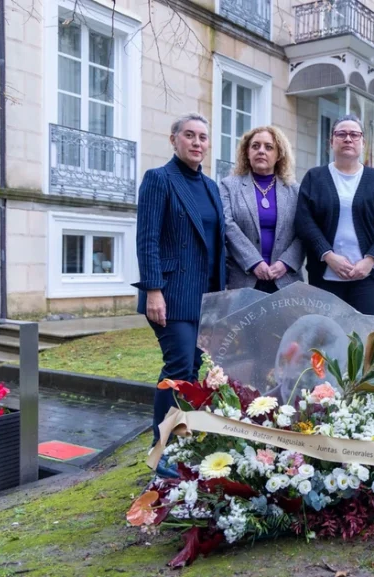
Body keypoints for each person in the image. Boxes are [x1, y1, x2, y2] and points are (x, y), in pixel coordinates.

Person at [133, 113, 226, 475]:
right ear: (174, 139)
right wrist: (153, 289)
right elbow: (148, 239)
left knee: (193, 368)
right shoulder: (159, 180)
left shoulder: (211, 187)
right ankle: (163, 452)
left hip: (206, 296)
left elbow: (216, 244)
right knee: (178, 368)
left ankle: (182, 439)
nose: (197, 142)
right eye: (189, 135)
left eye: (203, 137)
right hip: (170, 293)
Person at [295, 114, 374, 315]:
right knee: (328, 341)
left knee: (363, 340)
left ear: (363, 142)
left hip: (368, 278)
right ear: (331, 141)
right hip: (325, 276)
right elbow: (304, 221)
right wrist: (328, 255)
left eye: (354, 134)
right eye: (341, 134)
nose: (348, 139)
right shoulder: (314, 178)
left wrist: (370, 260)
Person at [220, 126, 304, 293]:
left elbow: (305, 231)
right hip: (243, 280)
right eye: (255, 146)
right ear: (247, 152)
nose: (261, 151)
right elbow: (227, 225)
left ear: (279, 154)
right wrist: (253, 262)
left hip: (285, 281)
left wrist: (285, 263)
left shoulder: (295, 190)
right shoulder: (229, 186)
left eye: (269, 147)